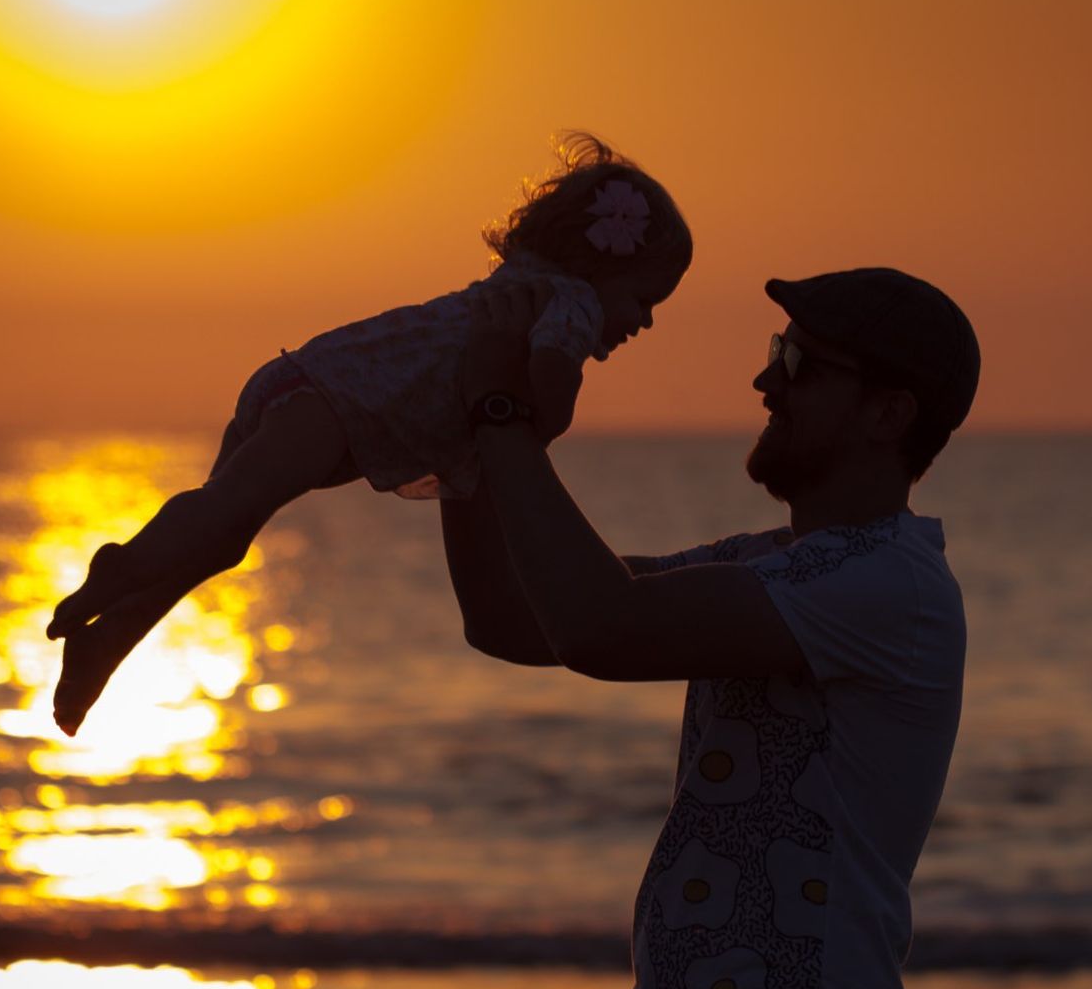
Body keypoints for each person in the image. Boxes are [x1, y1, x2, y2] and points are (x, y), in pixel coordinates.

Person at [446, 266, 978, 989]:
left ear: (887, 412)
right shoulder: (776, 566)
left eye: (794, 361)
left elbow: (597, 628)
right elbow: (514, 617)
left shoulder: (886, 587)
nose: (760, 380)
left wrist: (505, 416)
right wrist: (468, 450)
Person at [44, 133, 692, 736]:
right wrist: (542, 410)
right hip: (330, 404)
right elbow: (548, 400)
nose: (647, 321)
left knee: (222, 535)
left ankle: (109, 639)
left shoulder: (519, 283)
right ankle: (121, 565)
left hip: (305, 384)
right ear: (600, 268)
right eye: (644, 299)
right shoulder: (568, 304)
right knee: (224, 515)